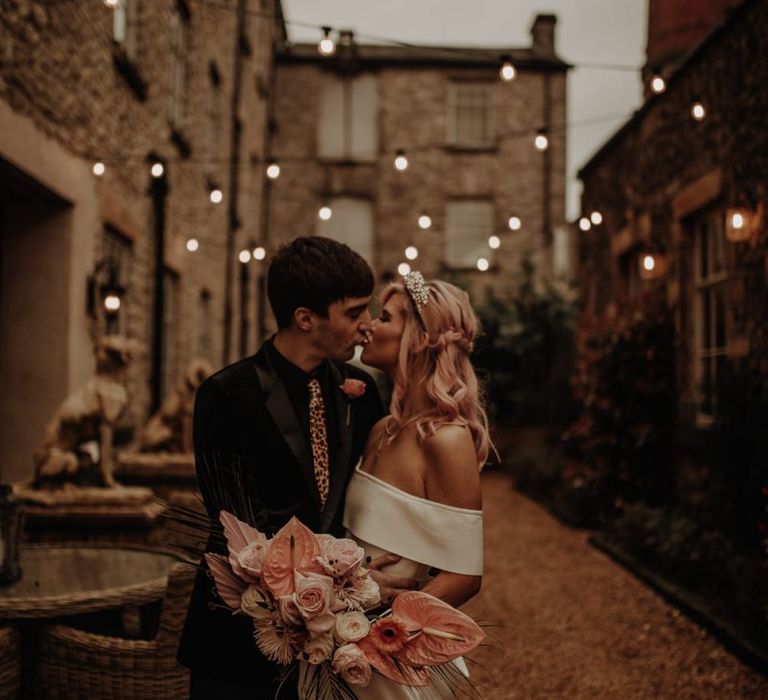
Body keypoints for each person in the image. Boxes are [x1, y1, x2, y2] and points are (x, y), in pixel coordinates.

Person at [178, 237, 417, 699]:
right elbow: (238, 529)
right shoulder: (226, 394)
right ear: (306, 319)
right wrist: (349, 579)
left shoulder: (360, 391)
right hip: (238, 637)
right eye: (353, 313)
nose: (366, 326)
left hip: (334, 640)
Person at [315, 271, 491, 699]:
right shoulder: (379, 430)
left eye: (385, 317)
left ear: (419, 337)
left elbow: (465, 575)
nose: (370, 325)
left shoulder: (447, 438)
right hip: (340, 635)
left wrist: (389, 627)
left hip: (394, 651)